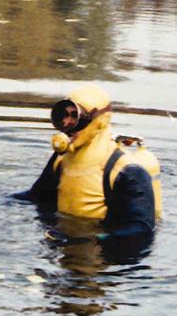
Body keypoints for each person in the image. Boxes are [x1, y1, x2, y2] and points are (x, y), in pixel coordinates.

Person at [15, 84, 162, 241]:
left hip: (107, 253)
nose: (67, 124)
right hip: (66, 237)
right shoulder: (61, 158)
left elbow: (141, 228)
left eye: (75, 117)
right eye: (63, 116)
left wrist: (93, 239)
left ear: (99, 122)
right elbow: (38, 195)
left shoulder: (125, 170)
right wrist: (0, 202)